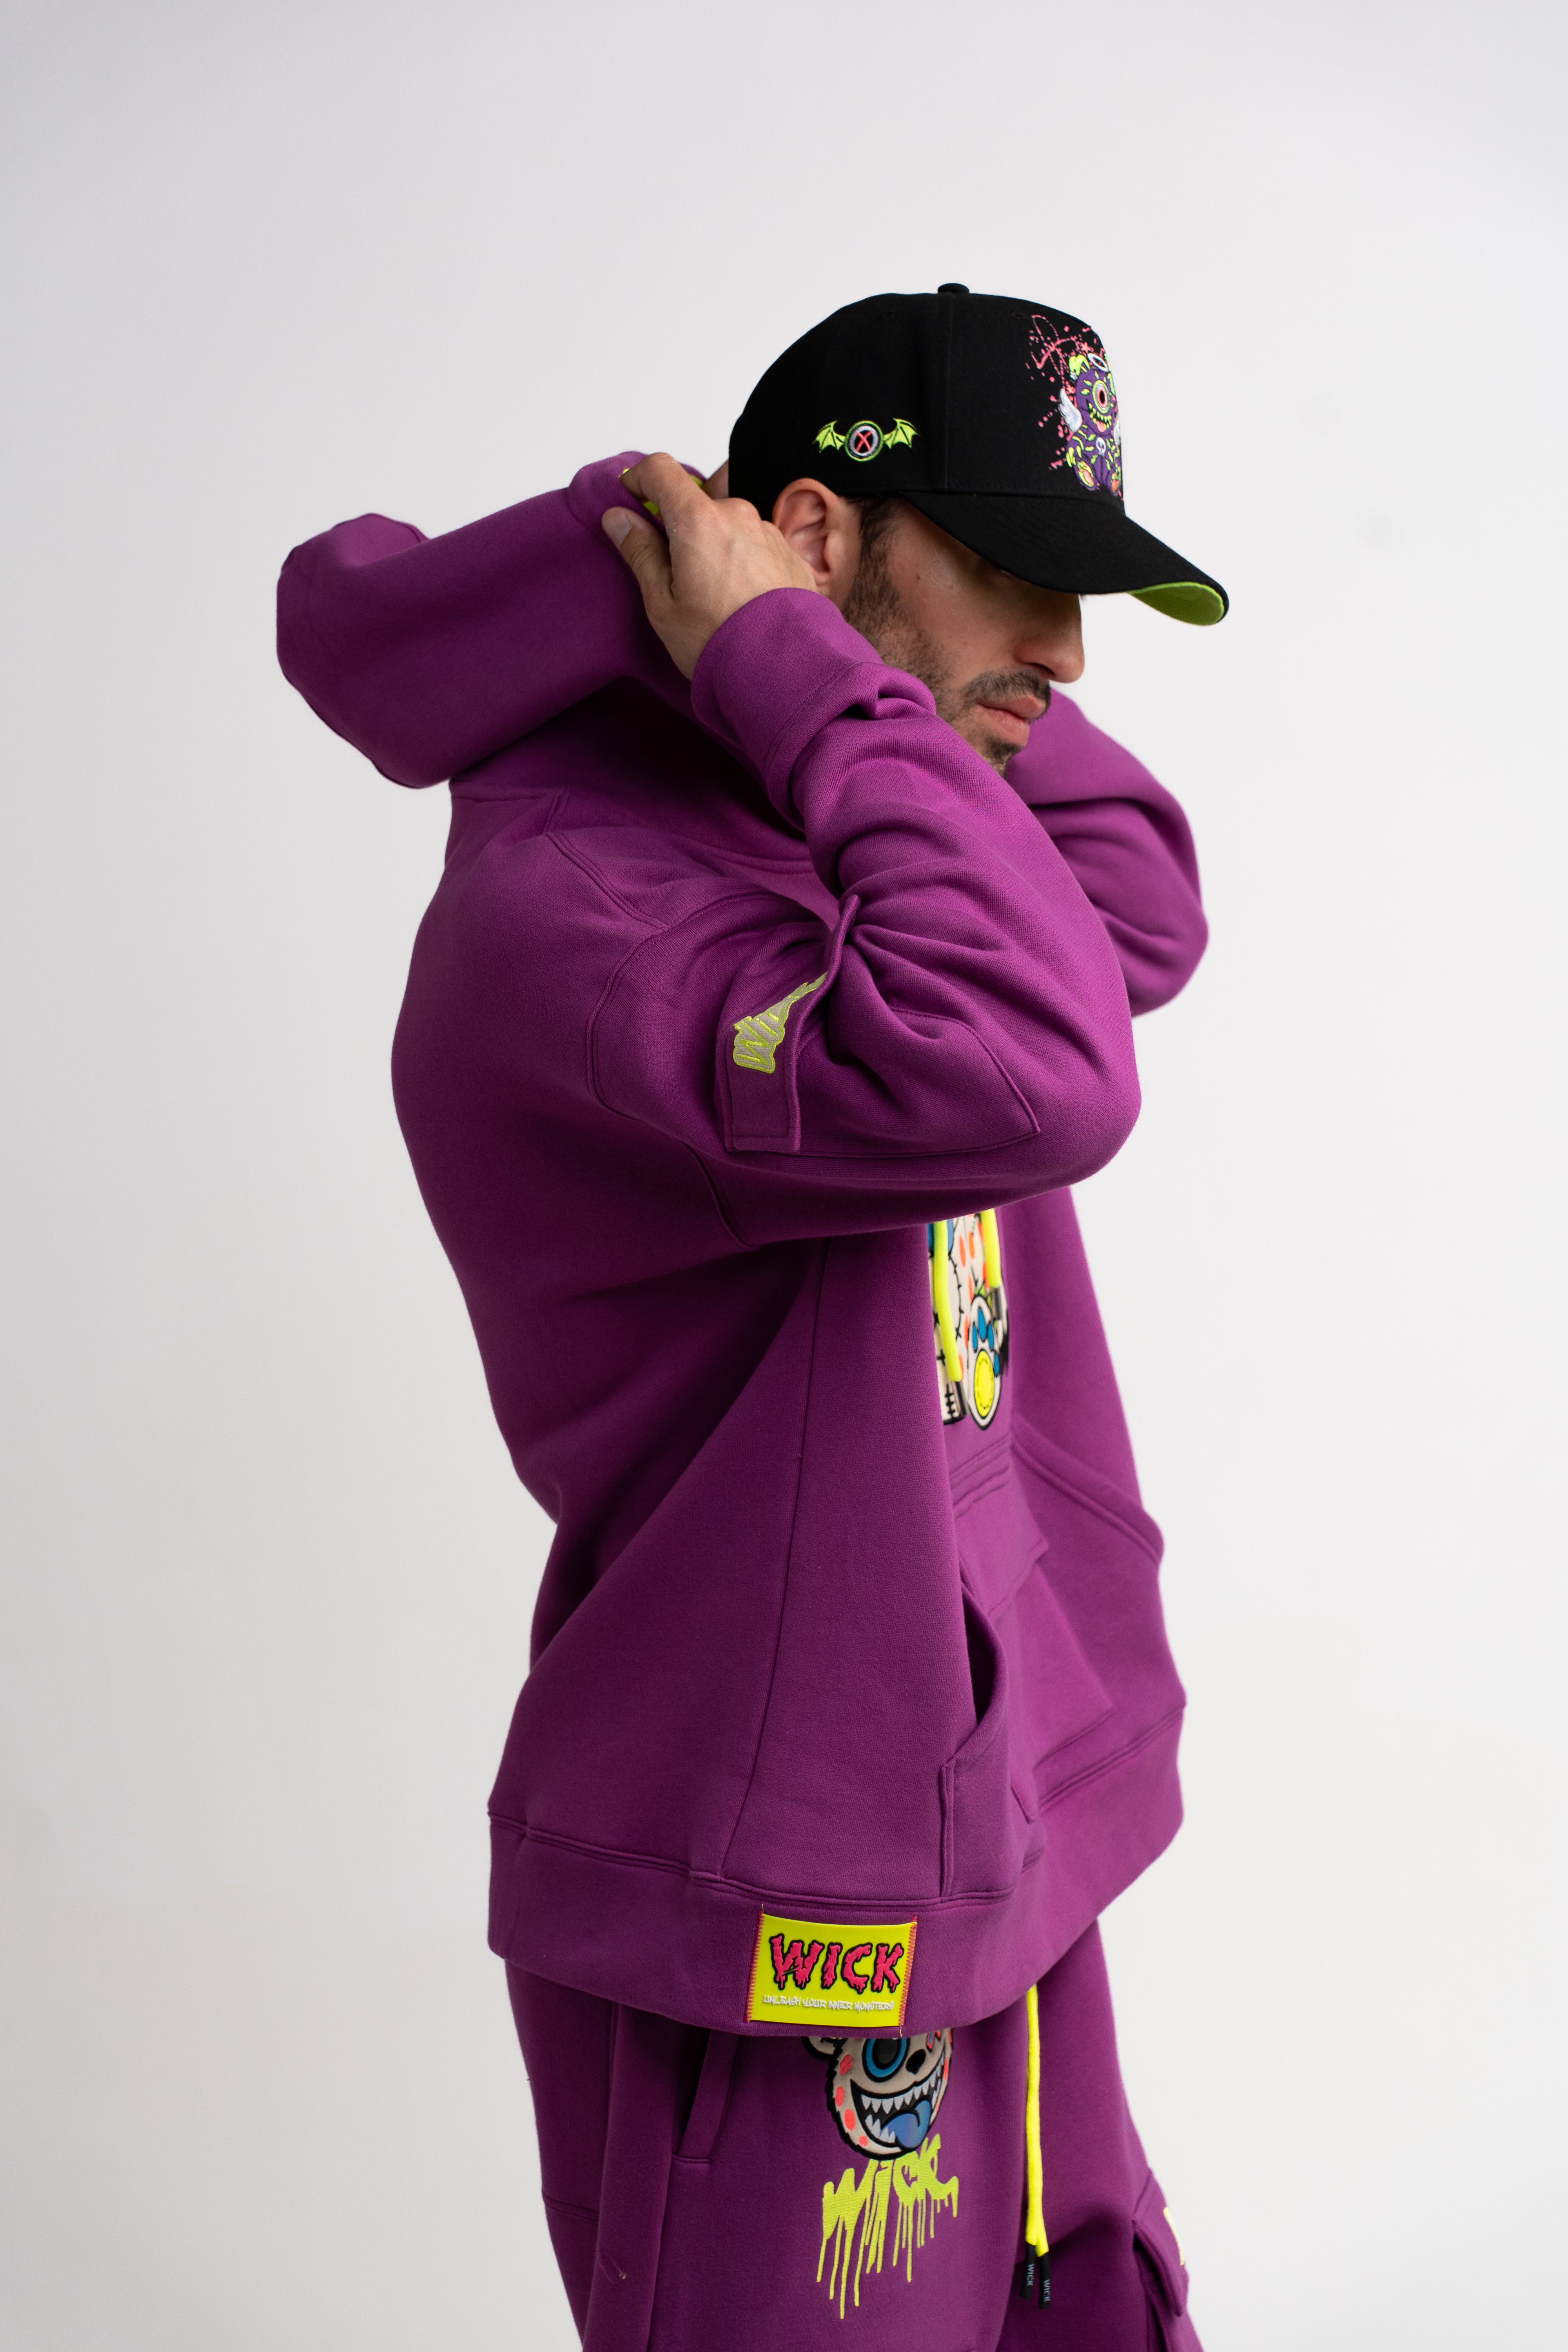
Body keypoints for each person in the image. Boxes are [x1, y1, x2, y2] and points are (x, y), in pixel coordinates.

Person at [278, 285, 1225, 2352]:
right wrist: (793, 663)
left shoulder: (811, 806)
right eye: (1016, 575)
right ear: (807, 539)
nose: (1069, 655)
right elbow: (1041, 1060)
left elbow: (1140, 905)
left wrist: (799, 672)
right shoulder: (590, 920)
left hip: (983, 1834)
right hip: (788, 1908)